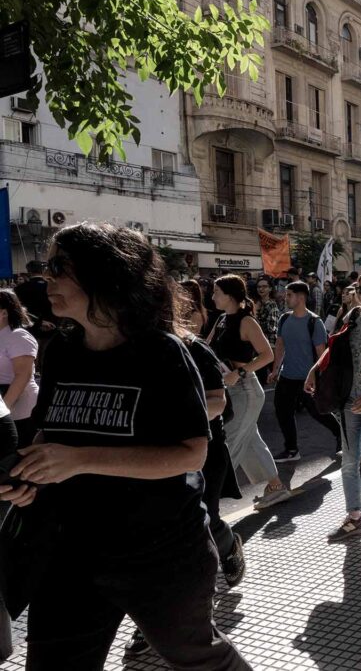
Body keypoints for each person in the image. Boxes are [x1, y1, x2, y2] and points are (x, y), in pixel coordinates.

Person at [0, 223, 251, 669]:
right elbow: (50, 435)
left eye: (59, 267)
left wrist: (77, 461)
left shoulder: (163, 353)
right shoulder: (60, 349)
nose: (45, 280)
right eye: (46, 267)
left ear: (106, 275)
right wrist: (31, 475)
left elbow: (191, 454)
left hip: (160, 554)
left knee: (198, 658)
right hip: (70, 552)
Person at [124, 293, 247, 658]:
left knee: (201, 526)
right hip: (152, 462)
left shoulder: (192, 348)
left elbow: (219, 400)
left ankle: (200, 606)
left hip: (204, 454)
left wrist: (172, 426)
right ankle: (148, 622)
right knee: (157, 536)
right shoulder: (129, 349)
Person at [308, 269, 361, 542]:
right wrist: (315, 369)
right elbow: (336, 347)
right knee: (350, 460)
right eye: (358, 290)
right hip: (349, 397)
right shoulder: (353, 316)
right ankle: (354, 517)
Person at [208, 274, 292, 510]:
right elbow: (206, 347)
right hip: (230, 389)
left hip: (246, 391)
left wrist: (240, 372)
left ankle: (210, 500)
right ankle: (276, 486)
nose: (212, 296)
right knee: (250, 440)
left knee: (229, 442)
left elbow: (268, 354)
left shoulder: (246, 321)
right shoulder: (222, 319)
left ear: (230, 295)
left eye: (216, 292)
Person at [269, 281, 341, 462]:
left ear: (301, 297)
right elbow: (280, 345)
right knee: (282, 411)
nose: (285, 298)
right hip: (286, 376)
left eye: (289, 295)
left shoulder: (314, 322)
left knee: (318, 413)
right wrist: (275, 370)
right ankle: (291, 449)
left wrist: (318, 377)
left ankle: (342, 435)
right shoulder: (284, 318)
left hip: (308, 379)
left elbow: (321, 353)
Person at [0, 290, 39, 447]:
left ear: (3, 313)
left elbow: (23, 375)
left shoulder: (18, 336)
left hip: (21, 412)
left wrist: (4, 412)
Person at [14, 260, 57, 369]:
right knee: (49, 361)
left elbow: (19, 310)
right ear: (43, 270)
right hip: (53, 328)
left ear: (28, 271)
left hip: (29, 329)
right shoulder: (53, 287)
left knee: (31, 360)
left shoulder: (19, 289)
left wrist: (38, 322)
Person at [253, 276, 282, 385]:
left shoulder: (272, 305)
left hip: (270, 345)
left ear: (270, 289)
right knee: (260, 376)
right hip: (258, 345)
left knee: (268, 376)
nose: (261, 289)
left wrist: (256, 319)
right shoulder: (256, 304)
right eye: (259, 287)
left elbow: (271, 327)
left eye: (264, 286)